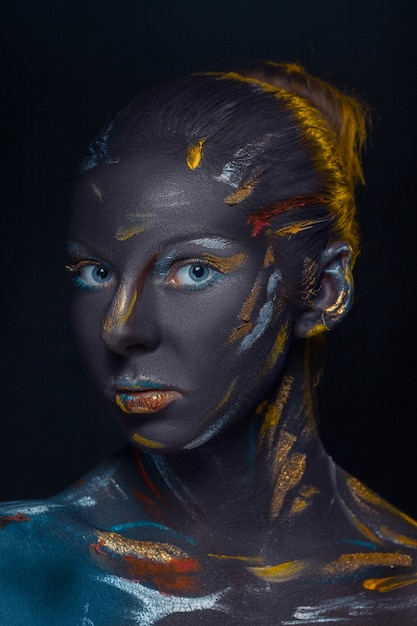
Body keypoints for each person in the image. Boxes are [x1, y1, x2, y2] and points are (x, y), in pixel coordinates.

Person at [1, 62, 416, 625]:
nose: (119, 328)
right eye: (95, 273)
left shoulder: (402, 587)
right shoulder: (23, 570)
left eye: (194, 271)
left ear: (324, 290)